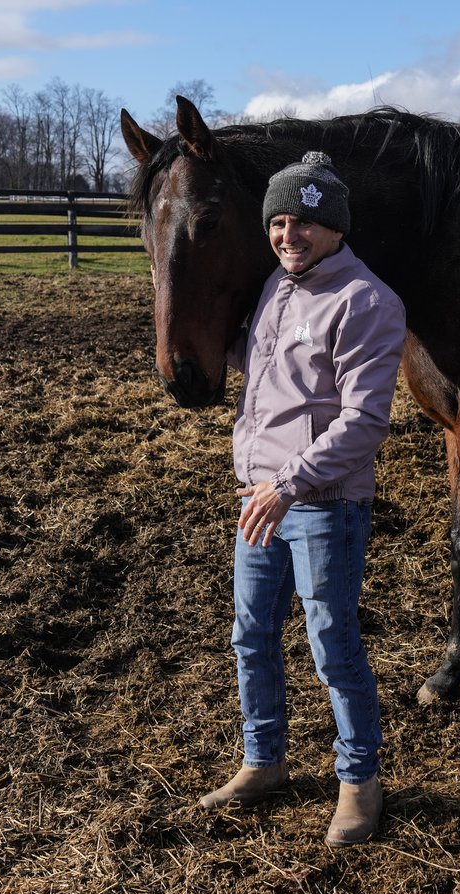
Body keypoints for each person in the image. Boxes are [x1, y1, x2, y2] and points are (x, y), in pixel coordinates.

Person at [197, 151, 406, 848]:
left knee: (332, 645)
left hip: (322, 504)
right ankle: (264, 760)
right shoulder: (276, 287)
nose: (290, 235)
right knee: (251, 635)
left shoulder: (366, 301)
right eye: (279, 222)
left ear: (336, 228)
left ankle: (360, 782)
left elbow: (365, 421)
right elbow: (267, 369)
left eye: (306, 222)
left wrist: (288, 484)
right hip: (259, 496)